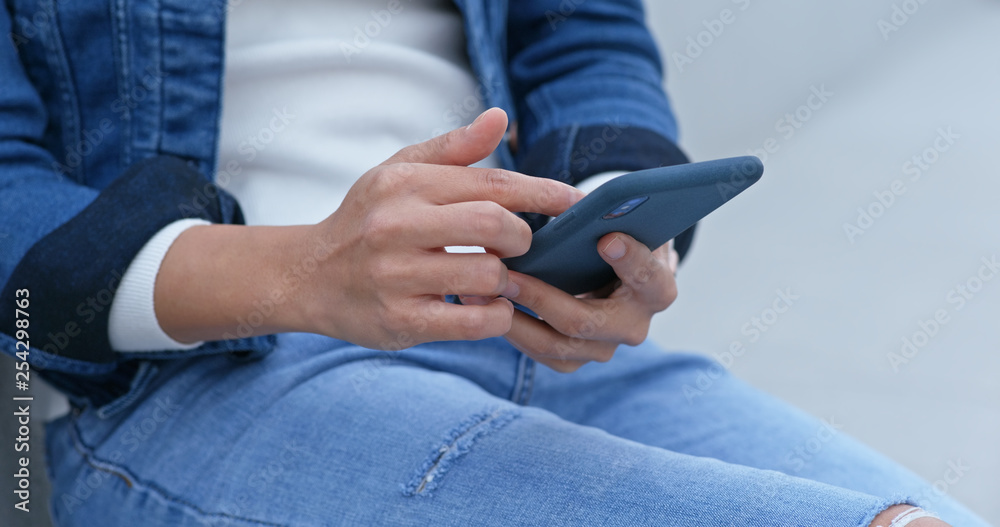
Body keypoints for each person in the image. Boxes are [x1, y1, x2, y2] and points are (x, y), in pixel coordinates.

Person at [0, 1, 988, 525]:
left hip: (512, 317)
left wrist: (609, 222)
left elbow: (582, 33)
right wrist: (304, 270)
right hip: (206, 370)